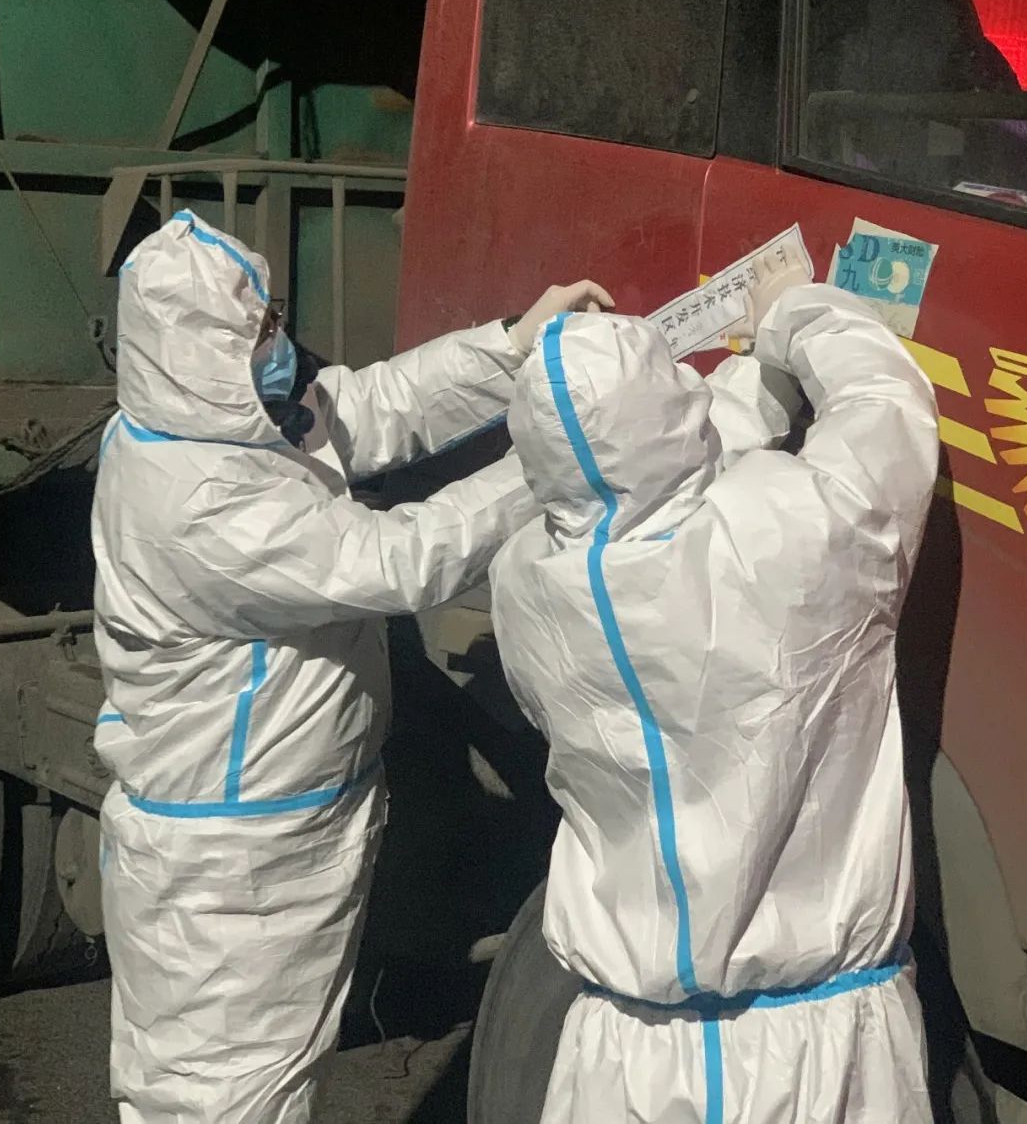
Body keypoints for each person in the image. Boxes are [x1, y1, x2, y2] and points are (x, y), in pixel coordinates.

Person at [92, 208, 612, 1124]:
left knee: (272, 1087)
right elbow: (399, 559)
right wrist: (551, 453)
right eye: (259, 332)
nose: (281, 344)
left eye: (273, 319)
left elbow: (367, 408)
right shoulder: (198, 501)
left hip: (275, 840)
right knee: (220, 1101)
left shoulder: (216, 427)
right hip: (230, 878)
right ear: (199, 356)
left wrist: (511, 349)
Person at [489, 258, 939, 1124]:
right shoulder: (801, 533)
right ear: (676, 414)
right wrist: (791, 313)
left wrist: (749, 384)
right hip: (816, 1054)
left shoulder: (523, 583)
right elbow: (885, 405)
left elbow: (632, 479)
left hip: (624, 1058)